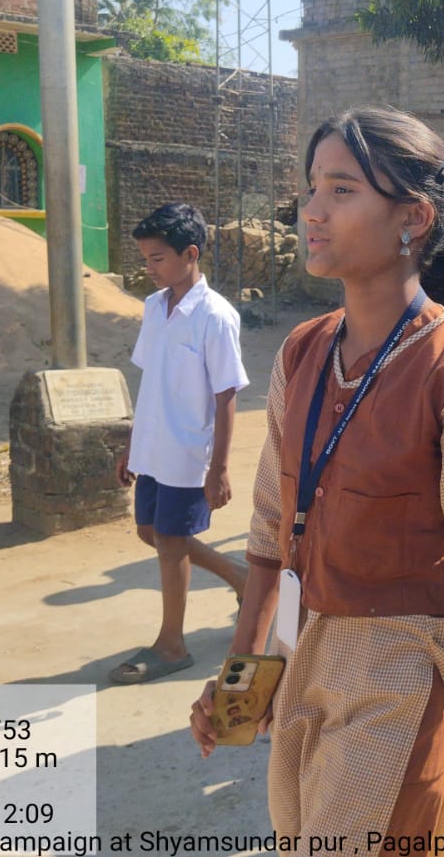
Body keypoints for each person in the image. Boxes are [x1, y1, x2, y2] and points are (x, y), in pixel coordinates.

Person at [188, 106, 444, 849]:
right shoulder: (302, 353)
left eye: (342, 190)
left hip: (400, 680)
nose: (313, 210)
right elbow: (272, 537)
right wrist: (243, 679)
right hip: (304, 659)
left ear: (413, 218)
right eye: (312, 187)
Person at [112, 203, 250, 685]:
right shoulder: (154, 308)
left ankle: (171, 645)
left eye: (158, 259)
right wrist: (133, 444)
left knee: (170, 542)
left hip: (191, 452)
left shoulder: (216, 316)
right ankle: (240, 576)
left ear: (190, 254)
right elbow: (150, 380)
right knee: (150, 532)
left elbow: (226, 394)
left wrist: (220, 468)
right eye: (146, 259)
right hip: (153, 447)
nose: (149, 268)